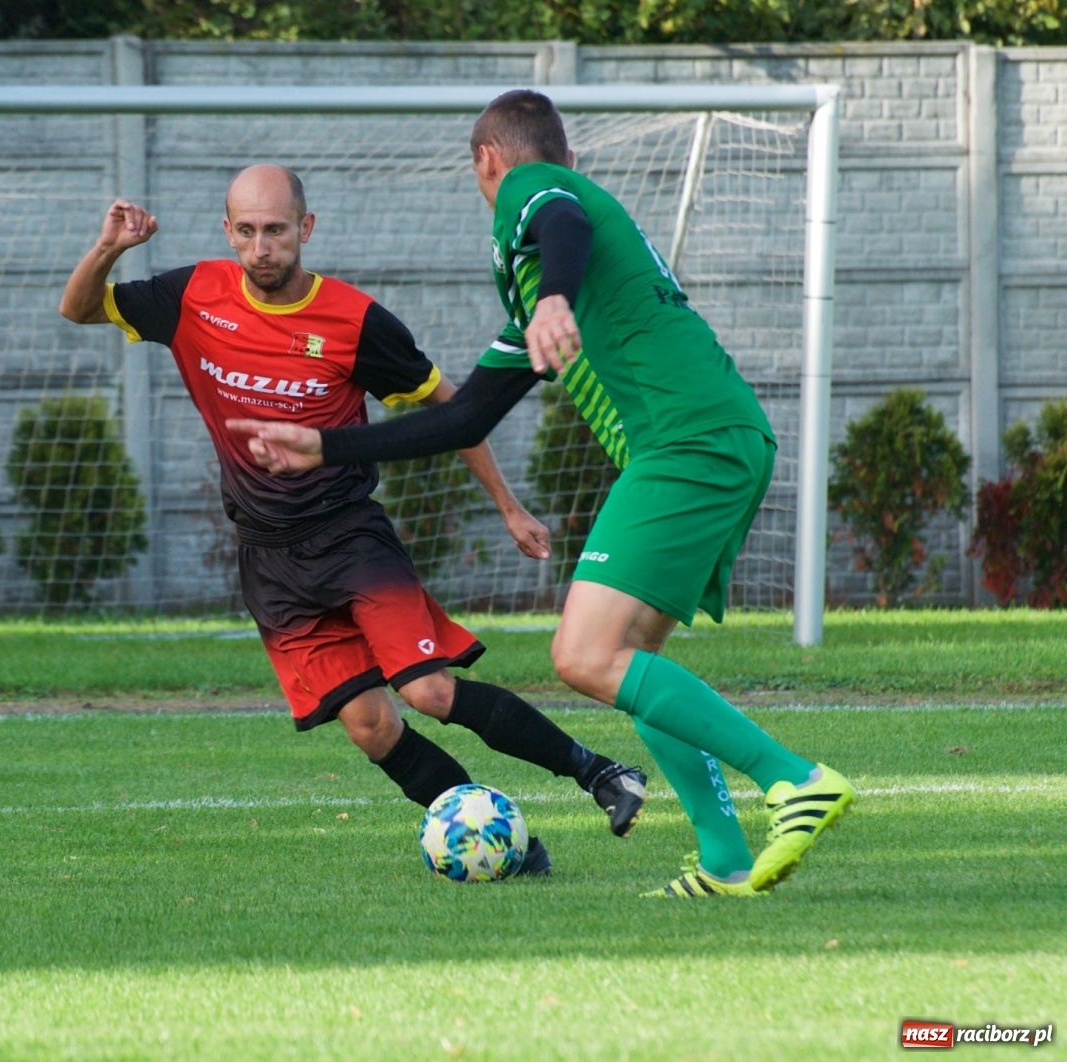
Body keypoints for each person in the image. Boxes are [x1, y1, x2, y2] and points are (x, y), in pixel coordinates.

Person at [227, 95, 855, 898]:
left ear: (487, 160)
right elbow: (464, 416)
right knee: (632, 660)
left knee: (582, 656)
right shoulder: (542, 297)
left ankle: (794, 779)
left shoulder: (534, 192)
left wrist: (554, 292)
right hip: (706, 439)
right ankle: (724, 858)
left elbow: (559, 216)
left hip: (687, 442)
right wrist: (325, 446)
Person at [58, 164, 649, 872]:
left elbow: (454, 409)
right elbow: (80, 309)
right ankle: (502, 846)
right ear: (228, 232)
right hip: (268, 559)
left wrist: (508, 505)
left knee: (429, 690)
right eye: (246, 231)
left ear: (305, 228)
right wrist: (109, 248)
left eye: (276, 230)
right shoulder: (191, 296)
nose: (262, 247)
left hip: (349, 538)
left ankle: (600, 772)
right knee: (370, 726)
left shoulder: (355, 321)